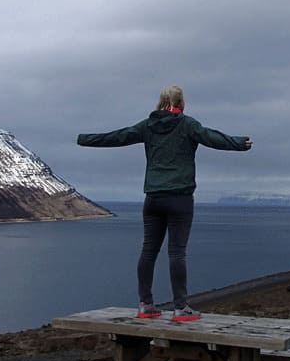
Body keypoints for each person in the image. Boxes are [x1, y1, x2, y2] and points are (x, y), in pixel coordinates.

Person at [77, 85, 252, 321]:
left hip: (153, 199)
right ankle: (181, 307)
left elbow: (118, 136)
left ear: (160, 102)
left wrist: (84, 139)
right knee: (177, 253)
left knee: (148, 251)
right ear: (181, 103)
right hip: (179, 198)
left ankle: (145, 304)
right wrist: (239, 143)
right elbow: (212, 137)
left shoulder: (147, 125)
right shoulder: (188, 124)